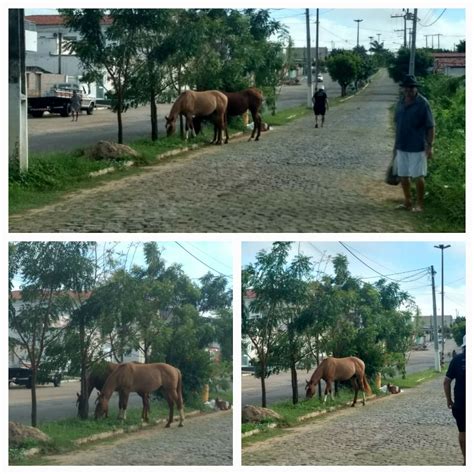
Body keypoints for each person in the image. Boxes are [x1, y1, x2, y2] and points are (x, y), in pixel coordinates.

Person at [393, 74, 435, 212]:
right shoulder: (400, 102)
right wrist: (395, 146)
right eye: (406, 88)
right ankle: (408, 202)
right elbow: (398, 124)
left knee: (418, 176)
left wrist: (430, 146)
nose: (409, 90)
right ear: (403, 89)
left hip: (417, 147)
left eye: (411, 88)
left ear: (416, 89)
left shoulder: (423, 103)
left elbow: (430, 126)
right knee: (403, 175)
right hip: (401, 145)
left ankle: (420, 205)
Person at [443, 334, 466, 465]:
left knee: (463, 432)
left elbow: (446, 382)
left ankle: (466, 460)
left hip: (461, 404)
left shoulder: (456, 360)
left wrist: (449, 400)